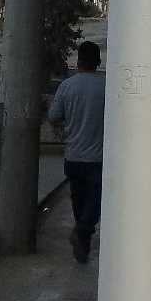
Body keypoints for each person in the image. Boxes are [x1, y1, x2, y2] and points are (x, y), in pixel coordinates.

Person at [48, 40, 105, 264]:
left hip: (73, 156)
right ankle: (82, 234)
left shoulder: (67, 86)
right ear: (97, 62)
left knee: (78, 200)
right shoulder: (106, 87)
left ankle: (83, 244)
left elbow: (54, 116)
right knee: (95, 201)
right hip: (98, 158)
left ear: (78, 61)